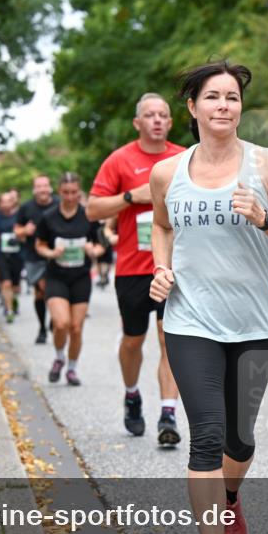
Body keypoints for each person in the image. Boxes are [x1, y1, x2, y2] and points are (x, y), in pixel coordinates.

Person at [149, 60, 268, 534]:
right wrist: (160, 268)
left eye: (232, 97)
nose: (223, 105)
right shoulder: (168, 173)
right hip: (189, 320)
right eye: (212, 97)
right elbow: (162, 224)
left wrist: (264, 218)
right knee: (208, 436)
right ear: (191, 108)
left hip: (254, 323)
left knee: (241, 440)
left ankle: (231, 495)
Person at [87, 93, 186, 444]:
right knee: (133, 340)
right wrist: (132, 197)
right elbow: (94, 209)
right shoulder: (119, 160)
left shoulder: (183, 158)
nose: (157, 120)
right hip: (131, 268)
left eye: (163, 115)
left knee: (168, 339)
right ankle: (131, 394)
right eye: (150, 115)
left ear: (170, 123)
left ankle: (168, 414)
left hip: (173, 268)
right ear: (137, 123)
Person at [35, 173, 107, 386]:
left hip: (80, 278)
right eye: (65, 192)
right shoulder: (48, 217)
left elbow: (102, 245)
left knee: (76, 327)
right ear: (59, 192)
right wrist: (50, 253)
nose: (70, 197)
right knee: (61, 323)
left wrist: (92, 250)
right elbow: (39, 245)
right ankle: (59, 357)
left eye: (74, 192)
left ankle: (72, 369)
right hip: (56, 276)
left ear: (79, 192)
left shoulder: (89, 216)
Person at [14, 176, 56, 343]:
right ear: (34, 190)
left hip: (56, 254)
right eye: (39, 187)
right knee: (40, 292)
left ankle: (55, 319)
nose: (42, 189)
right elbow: (16, 231)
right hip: (33, 256)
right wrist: (25, 230)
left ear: (50, 188)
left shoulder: (58, 203)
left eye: (45, 186)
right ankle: (42, 327)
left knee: (50, 288)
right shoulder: (26, 208)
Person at [0, 191, 23, 323]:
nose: (6, 204)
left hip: (17, 255)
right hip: (1, 255)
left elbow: (25, 232)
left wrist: (19, 238)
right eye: (3, 201)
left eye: (9, 201)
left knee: (15, 286)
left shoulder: (19, 216)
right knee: (6, 282)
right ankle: (9, 310)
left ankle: (13, 299)